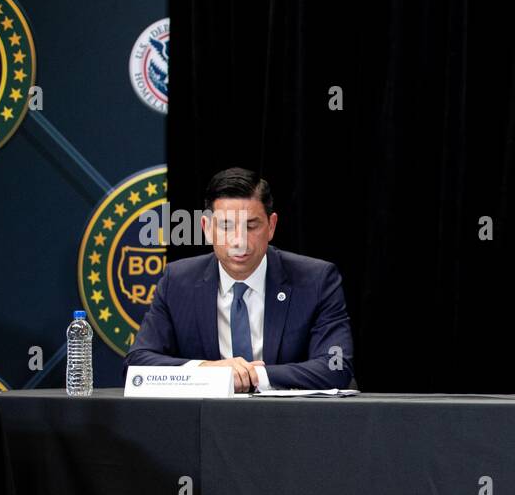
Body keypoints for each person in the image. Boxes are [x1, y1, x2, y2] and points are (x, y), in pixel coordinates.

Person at [126, 168, 354, 391]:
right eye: (226, 226)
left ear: (271, 226)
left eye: (251, 226)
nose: (239, 241)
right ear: (206, 228)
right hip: (204, 424)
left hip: (289, 422)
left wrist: (252, 375)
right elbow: (137, 363)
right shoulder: (177, 281)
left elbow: (335, 366)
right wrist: (208, 371)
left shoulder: (316, 280)